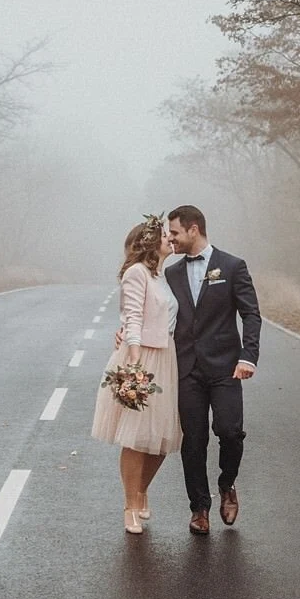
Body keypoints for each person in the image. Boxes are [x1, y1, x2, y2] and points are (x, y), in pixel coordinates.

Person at [162, 204, 260, 535]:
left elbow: (251, 314)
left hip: (226, 367)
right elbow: (159, 313)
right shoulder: (171, 273)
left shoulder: (232, 266)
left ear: (193, 229)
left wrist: (249, 356)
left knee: (230, 432)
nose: (170, 238)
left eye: (174, 231)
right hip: (186, 367)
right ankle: (199, 508)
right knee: (194, 440)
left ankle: (227, 483)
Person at [91, 215, 183, 534]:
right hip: (142, 355)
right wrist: (133, 360)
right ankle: (130, 505)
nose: (171, 239)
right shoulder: (136, 273)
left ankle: (142, 490)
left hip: (167, 355)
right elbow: (131, 317)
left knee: (162, 436)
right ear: (151, 242)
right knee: (134, 437)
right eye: (165, 235)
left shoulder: (162, 275)